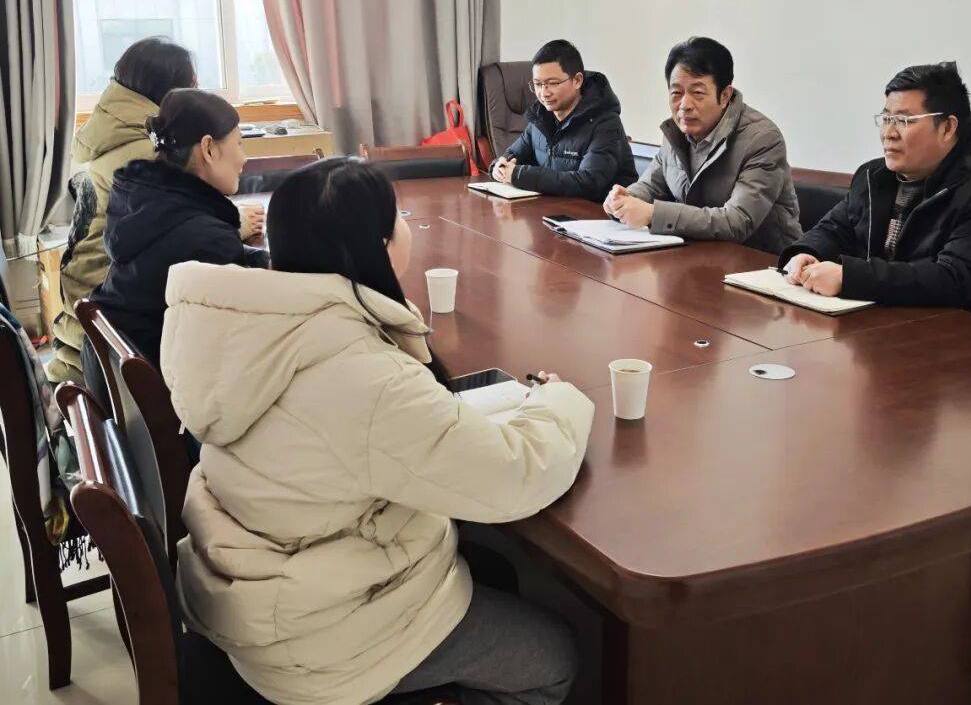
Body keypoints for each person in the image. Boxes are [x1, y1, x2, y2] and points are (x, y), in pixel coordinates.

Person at [160, 157, 593, 705]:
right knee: (554, 659)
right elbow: (515, 474)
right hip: (319, 643)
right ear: (379, 245)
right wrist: (560, 400)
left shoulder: (252, 332)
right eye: (398, 218)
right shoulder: (362, 376)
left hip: (258, 592)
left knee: (488, 561)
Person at [47, 37, 264, 383]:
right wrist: (235, 225)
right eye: (192, 86)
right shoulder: (146, 153)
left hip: (97, 305)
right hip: (113, 330)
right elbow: (188, 233)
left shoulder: (115, 129)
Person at [778, 62, 971, 323]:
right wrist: (807, 253)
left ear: (947, 128)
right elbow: (835, 229)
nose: (888, 134)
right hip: (882, 325)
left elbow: (953, 278)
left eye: (903, 120)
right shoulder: (873, 177)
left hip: (960, 334)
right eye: (886, 119)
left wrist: (850, 278)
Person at [84, 88, 269, 379]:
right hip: (163, 385)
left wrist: (260, 259)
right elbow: (236, 347)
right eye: (239, 144)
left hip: (115, 371)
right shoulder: (208, 239)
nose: (244, 159)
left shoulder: (142, 202)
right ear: (208, 149)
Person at [603, 37, 802, 253]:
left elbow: (737, 221)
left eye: (697, 93)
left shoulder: (762, 139)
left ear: (724, 96)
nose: (684, 105)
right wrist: (623, 200)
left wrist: (652, 214)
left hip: (762, 261)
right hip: (696, 253)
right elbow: (651, 186)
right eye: (676, 93)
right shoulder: (677, 131)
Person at [491, 39, 637, 201]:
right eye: (537, 84)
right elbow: (512, 155)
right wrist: (499, 167)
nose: (544, 93)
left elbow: (589, 183)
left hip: (599, 212)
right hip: (552, 208)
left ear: (577, 80)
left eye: (552, 83)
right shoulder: (540, 117)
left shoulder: (606, 123)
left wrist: (520, 175)